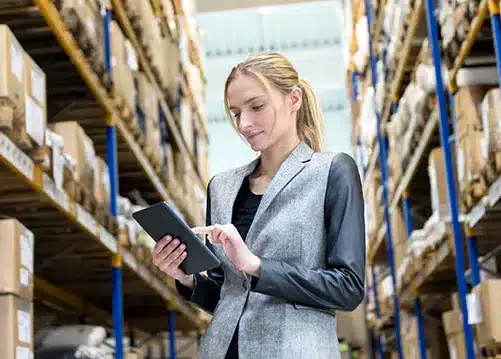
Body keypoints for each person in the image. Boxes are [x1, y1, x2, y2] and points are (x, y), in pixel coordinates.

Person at [151, 52, 366, 359]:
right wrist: (185, 276)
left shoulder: (332, 172)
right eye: (235, 113)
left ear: (294, 99)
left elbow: (348, 288)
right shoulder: (221, 187)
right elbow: (228, 296)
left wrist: (255, 265)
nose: (245, 123)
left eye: (257, 106)